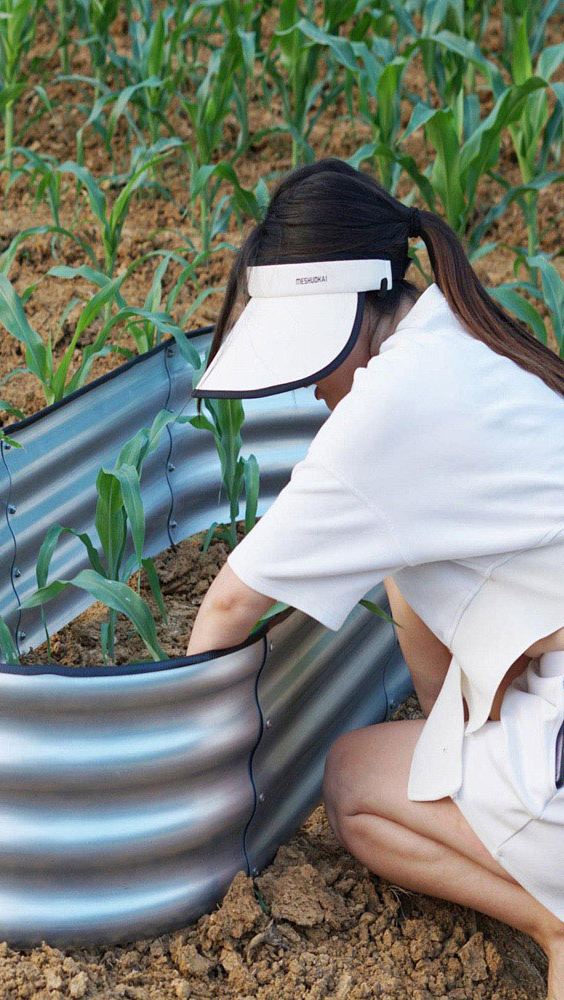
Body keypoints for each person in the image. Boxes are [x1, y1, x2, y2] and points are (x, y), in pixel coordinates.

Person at [185, 158, 564, 997]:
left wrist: (179, 800)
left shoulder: (387, 410)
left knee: (353, 784)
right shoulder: (459, 336)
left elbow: (227, 608)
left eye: (311, 361)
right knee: (381, 763)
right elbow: (417, 598)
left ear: (356, 310)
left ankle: (554, 913)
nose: (315, 393)